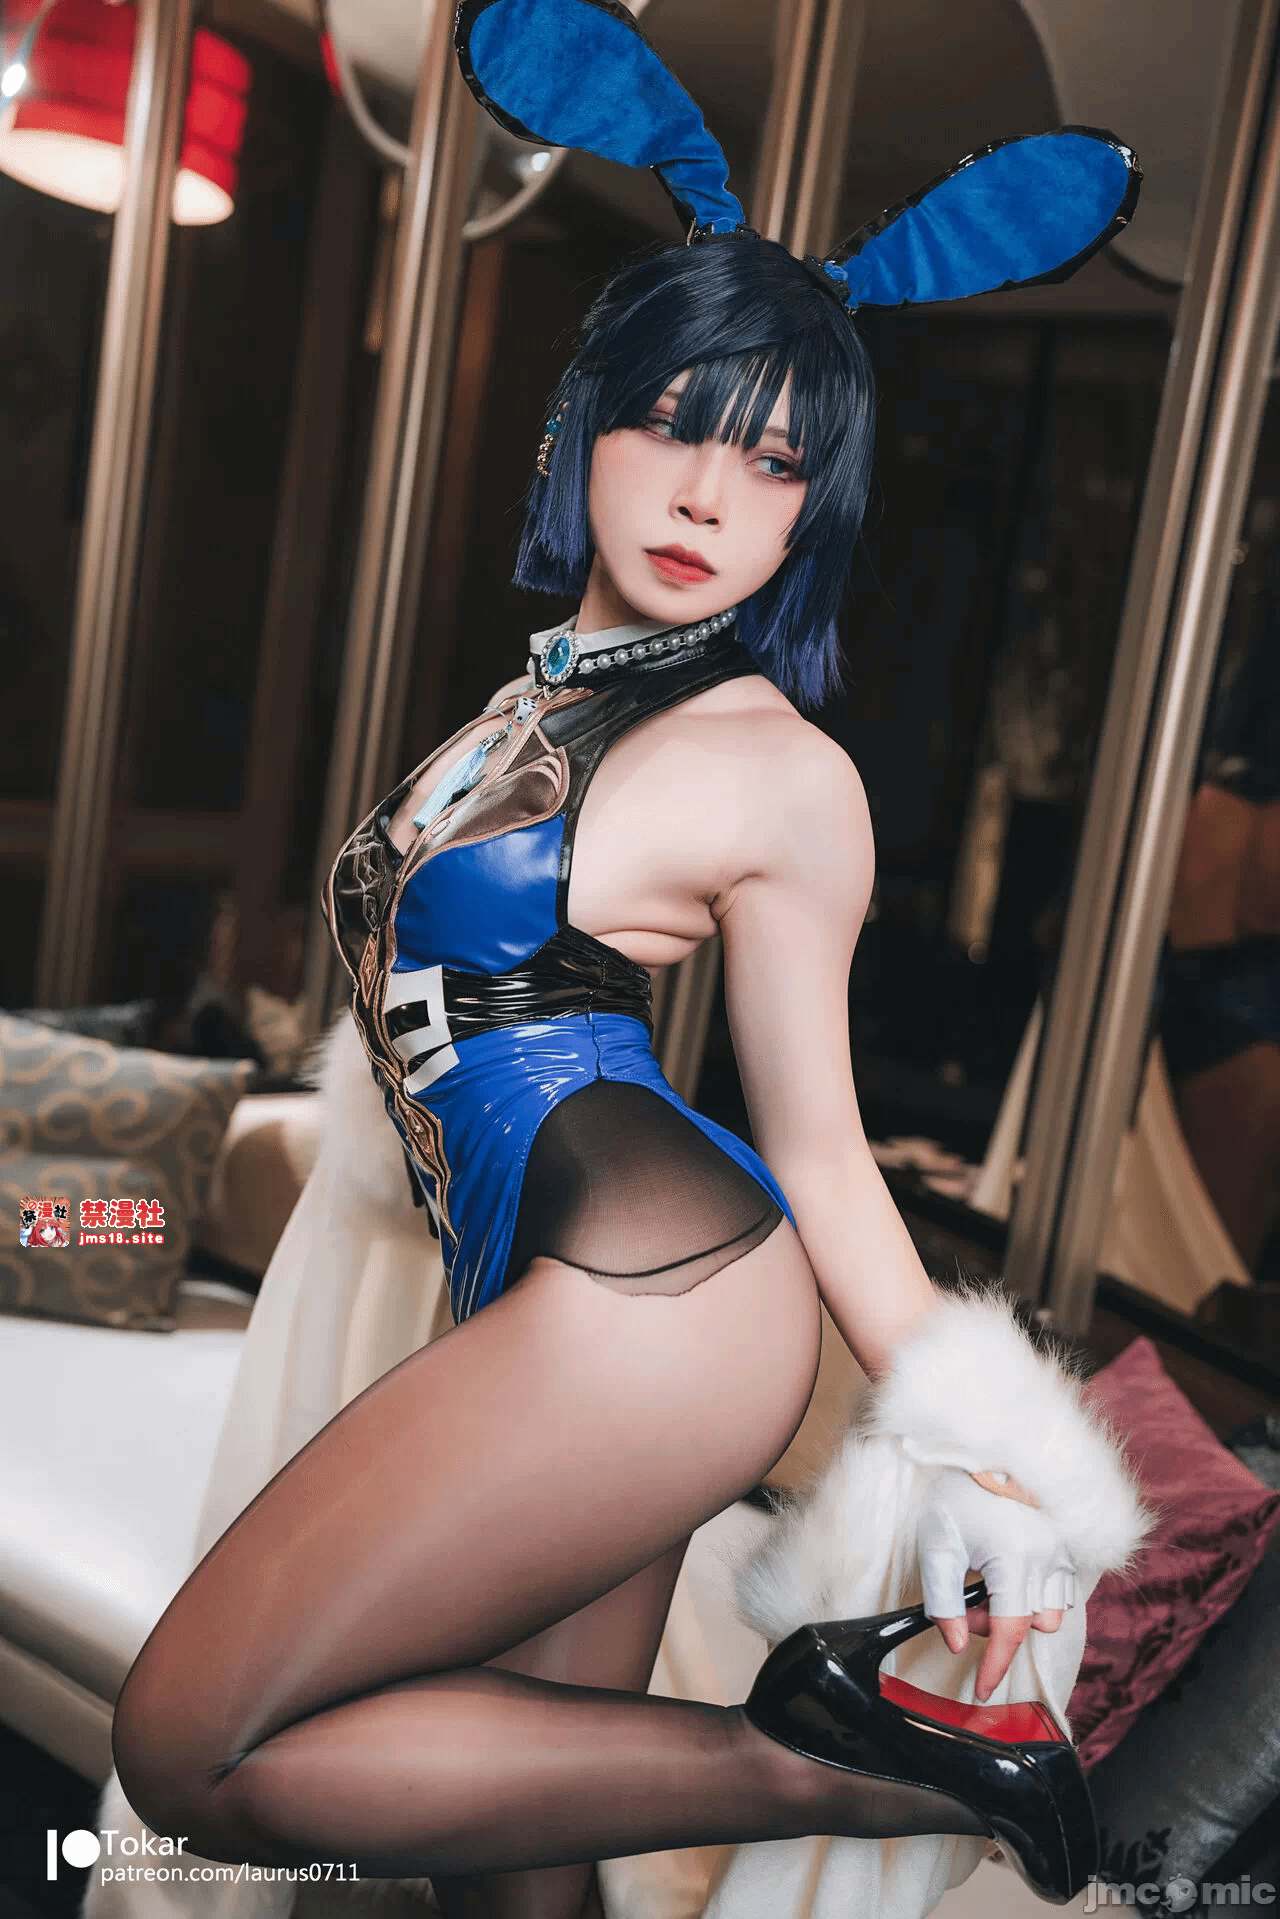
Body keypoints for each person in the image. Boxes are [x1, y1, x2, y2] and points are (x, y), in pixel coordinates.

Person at [110, 5, 1147, 1915]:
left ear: (814, 513)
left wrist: (997, 1466)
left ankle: (830, 1758)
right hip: (562, 1293)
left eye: (772, 465)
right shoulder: (535, 700)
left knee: (190, 1749)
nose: (703, 498)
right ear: (587, 417)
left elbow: (826, 1153)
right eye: (674, 423)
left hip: (667, 1304)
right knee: (515, 1878)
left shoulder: (784, 775)